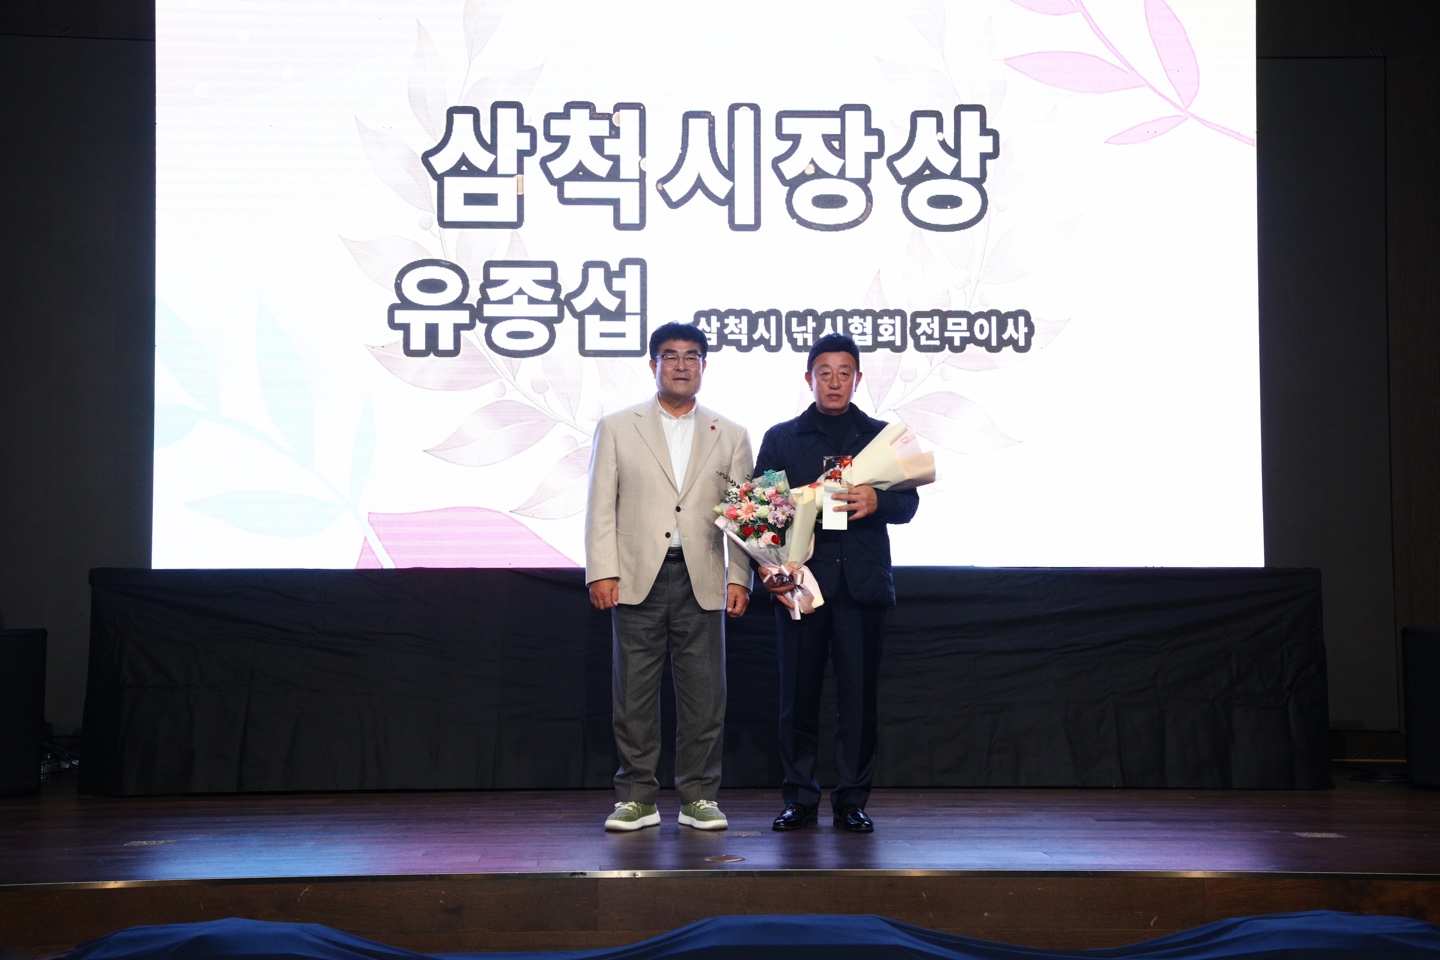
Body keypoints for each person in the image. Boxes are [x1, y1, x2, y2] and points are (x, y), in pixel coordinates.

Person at [585, 322, 753, 832]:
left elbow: (743, 516)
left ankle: (699, 796)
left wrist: (739, 577)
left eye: (692, 356)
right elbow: (600, 506)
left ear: (704, 365)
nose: (682, 365)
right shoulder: (618, 426)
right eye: (670, 356)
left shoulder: (730, 434)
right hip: (637, 576)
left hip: (703, 577)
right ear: (652, 364)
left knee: (705, 696)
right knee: (633, 694)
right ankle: (636, 797)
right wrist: (602, 570)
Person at [754, 333, 919, 833]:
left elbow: (909, 504)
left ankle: (851, 799)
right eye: (824, 372)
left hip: (861, 586)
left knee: (859, 702)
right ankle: (799, 799)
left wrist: (878, 500)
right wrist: (769, 568)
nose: (834, 381)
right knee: (797, 699)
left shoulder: (882, 437)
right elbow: (759, 512)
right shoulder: (782, 438)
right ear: (809, 379)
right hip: (801, 585)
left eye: (844, 372)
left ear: (858, 379)